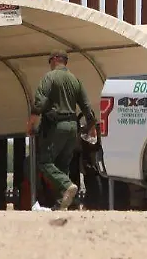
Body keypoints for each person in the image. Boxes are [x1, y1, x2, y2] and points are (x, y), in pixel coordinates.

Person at [26, 50, 97, 210]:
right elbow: (86, 106)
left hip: (55, 126)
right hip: (72, 127)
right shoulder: (75, 80)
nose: (50, 64)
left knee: (44, 161)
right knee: (62, 165)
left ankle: (66, 186)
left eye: (50, 60)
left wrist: (31, 124)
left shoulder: (50, 77)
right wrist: (91, 126)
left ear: (56, 59)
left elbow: (39, 103)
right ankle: (62, 203)